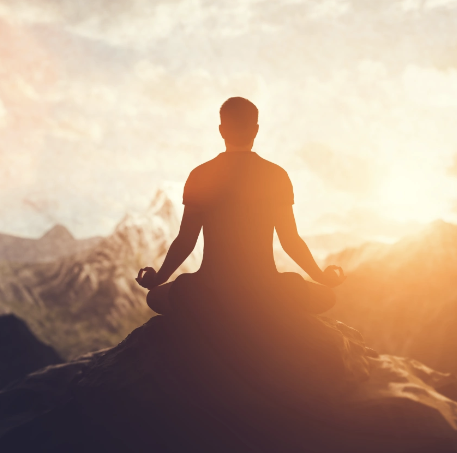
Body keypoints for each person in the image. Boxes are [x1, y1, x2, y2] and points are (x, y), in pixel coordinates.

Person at [136, 97, 345, 315]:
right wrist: (322, 277)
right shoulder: (276, 175)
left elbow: (186, 240)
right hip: (265, 289)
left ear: (222, 131)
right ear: (255, 130)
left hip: (210, 289)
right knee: (326, 297)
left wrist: (158, 279)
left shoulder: (200, 175)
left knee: (155, 298)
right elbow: (290, 240)